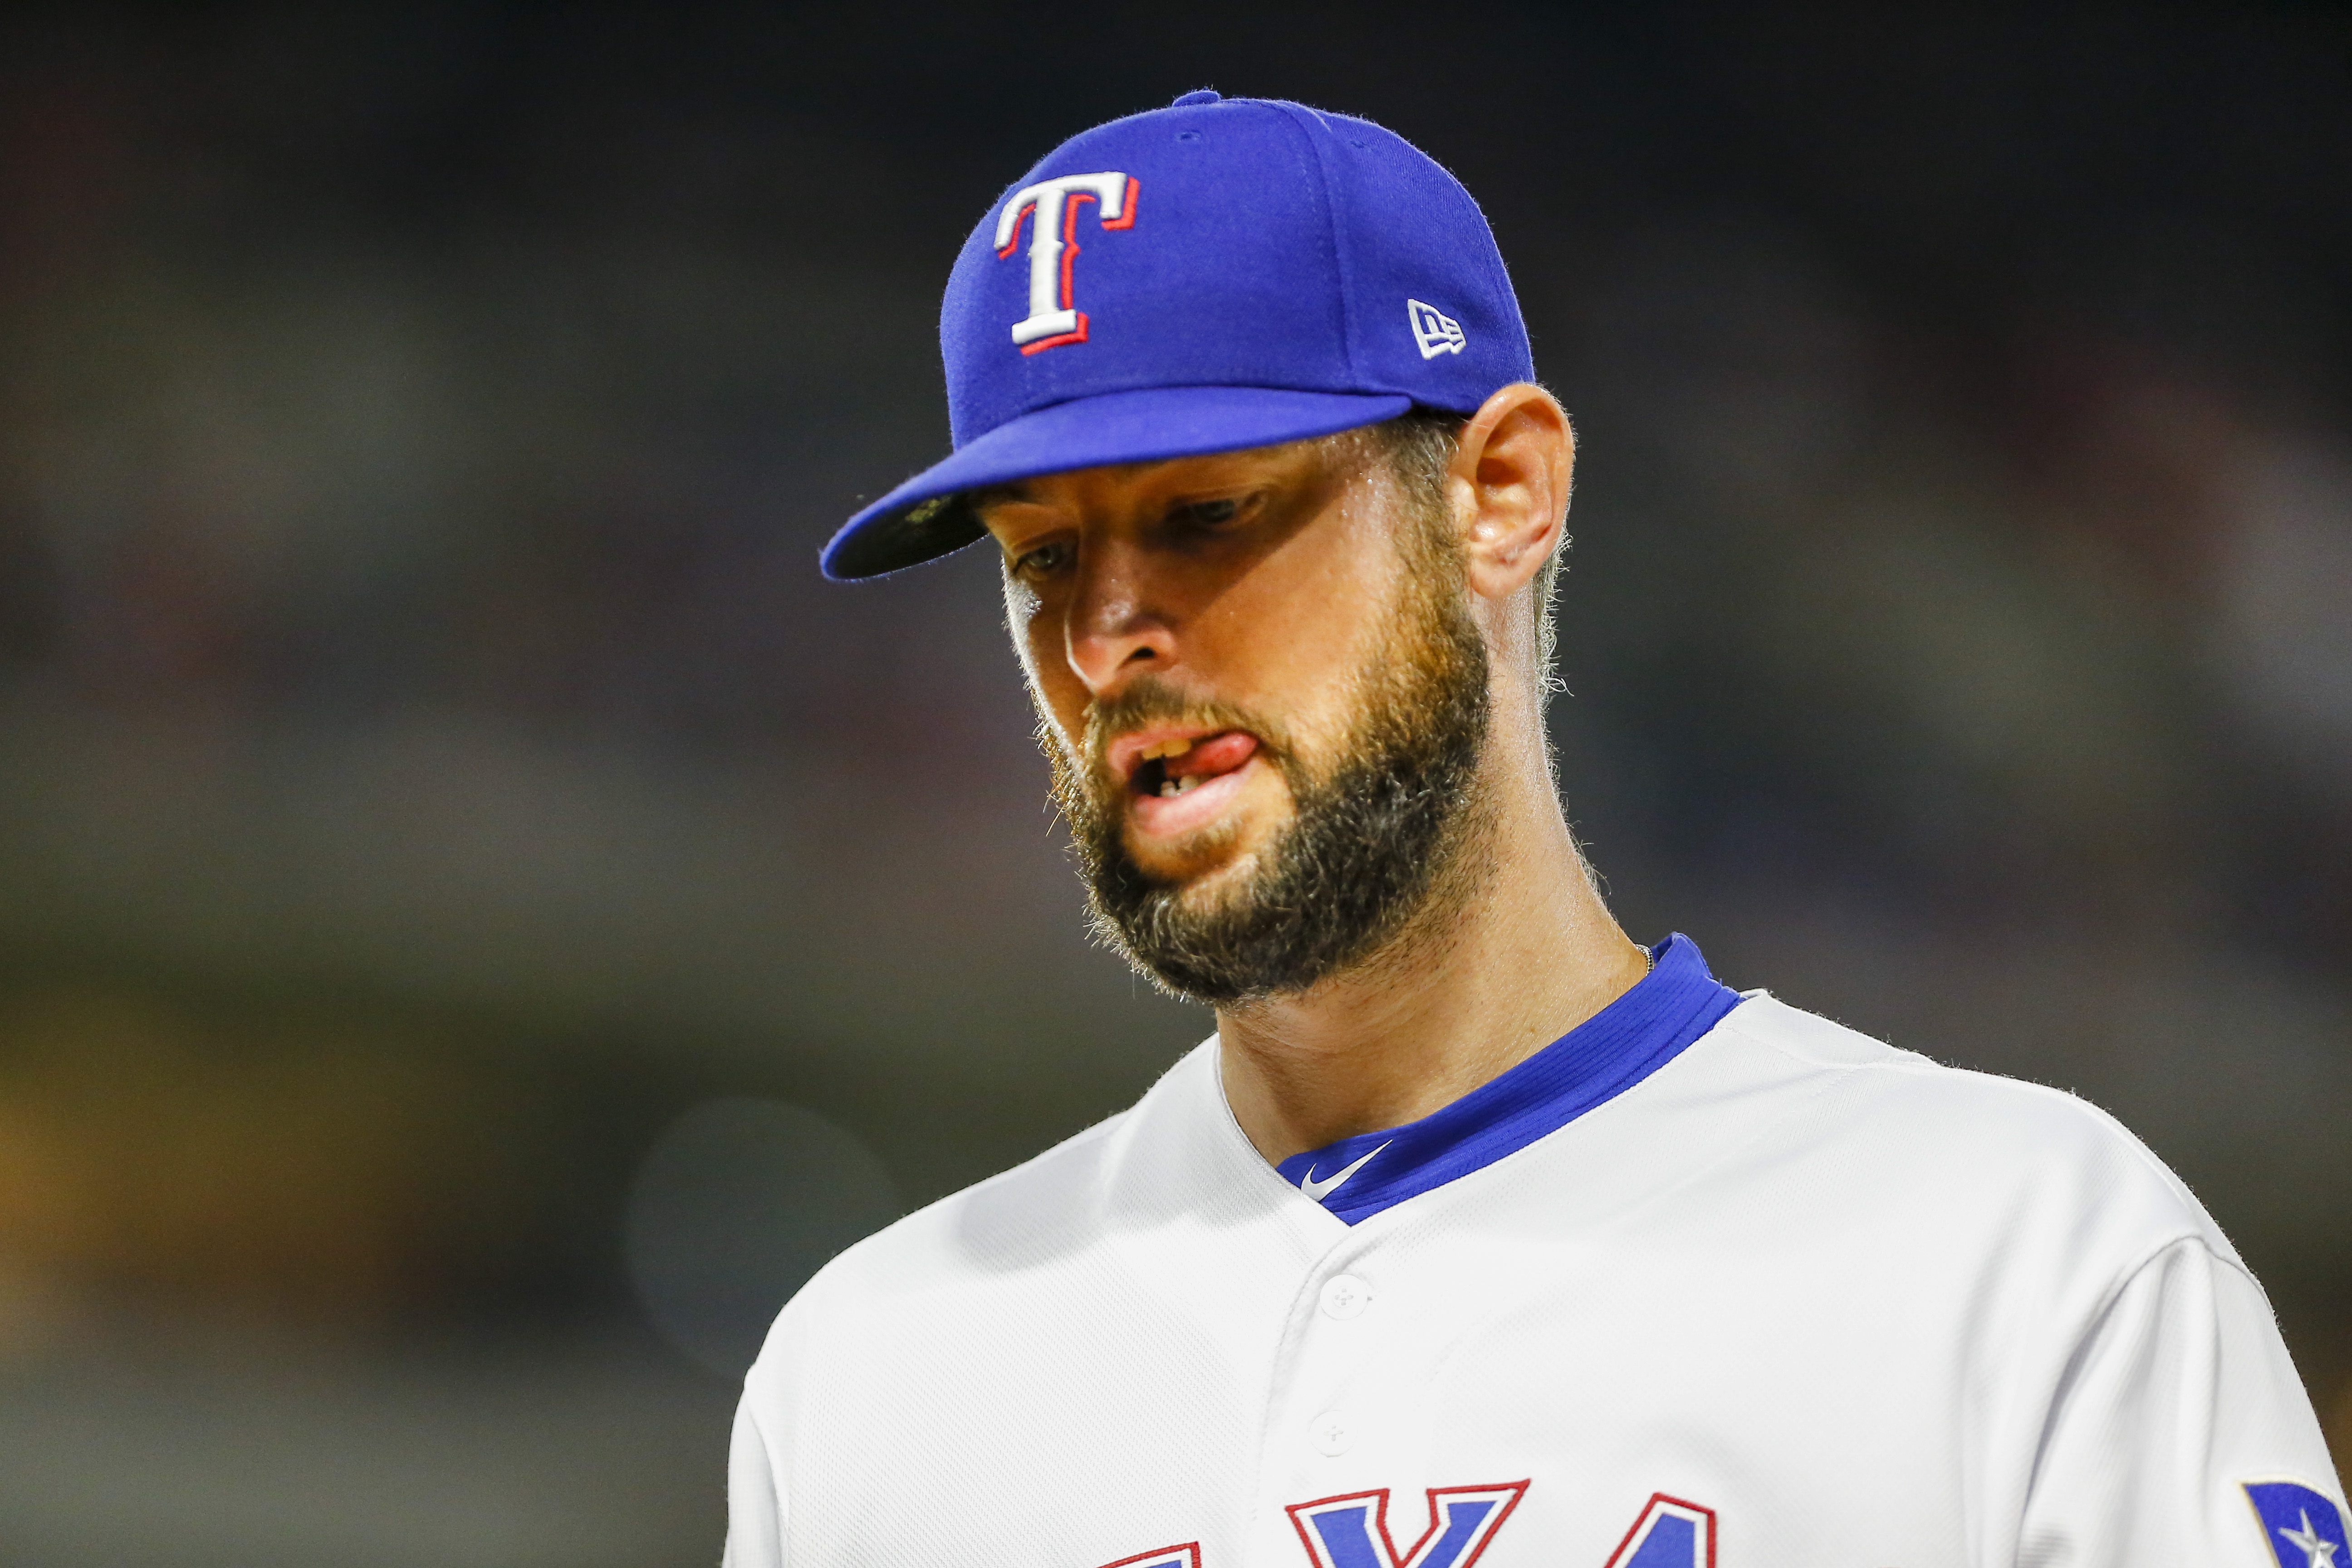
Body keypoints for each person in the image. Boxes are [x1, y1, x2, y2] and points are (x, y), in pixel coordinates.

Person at [724, 92, 2341, 1568]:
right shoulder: (873, 1375)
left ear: (1499, 494)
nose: (1106, 640)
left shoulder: (2024, 1262)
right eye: (1040, 562)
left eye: (1204, 515)